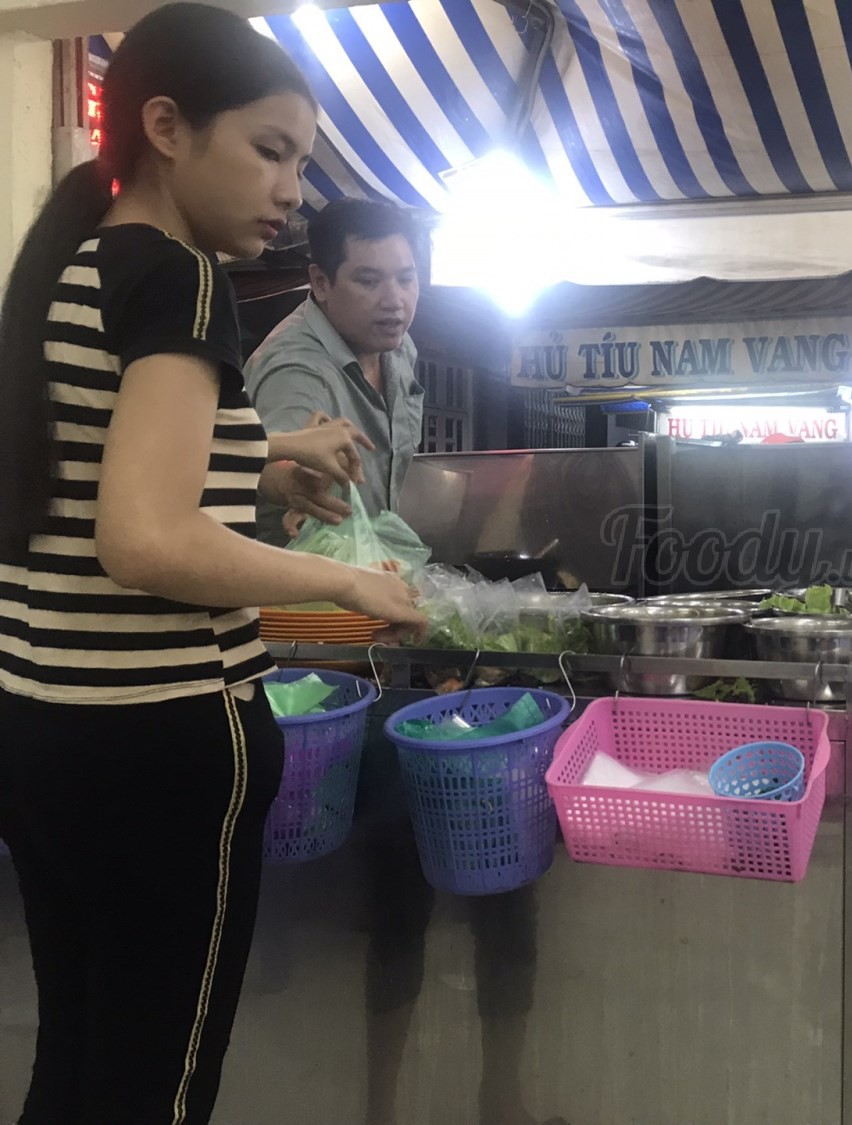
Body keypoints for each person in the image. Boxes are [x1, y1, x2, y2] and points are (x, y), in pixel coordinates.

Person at [0, 7, 427, 1122]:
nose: (291, 192)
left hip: (43, 724)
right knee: (158, 1084)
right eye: (270, 151)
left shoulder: (70, 266)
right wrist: (346, 582)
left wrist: (262, 461)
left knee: (77, 1059)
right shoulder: (180, 278)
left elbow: (99, 476)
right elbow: (143, 539)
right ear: (167, 128)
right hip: (161, 730)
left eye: (303, 163)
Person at [246, 197, 424, 543]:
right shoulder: (295, 367)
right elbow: (271, 461)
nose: (394, 300)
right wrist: (292, 482)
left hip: (380, 563)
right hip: (301, 573)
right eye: (369, 281)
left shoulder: (400, 347)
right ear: (321, 282)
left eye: (406, 279)